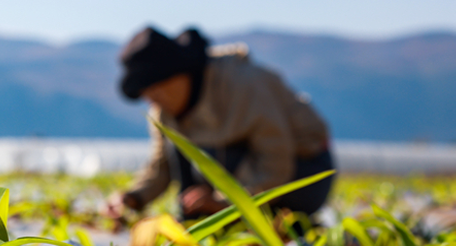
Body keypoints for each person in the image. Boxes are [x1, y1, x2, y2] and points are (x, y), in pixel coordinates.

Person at [105, 26, 334, 221]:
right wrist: (132, 198)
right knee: (178, 148)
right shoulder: (164, 111)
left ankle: (236, 219)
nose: (152, 99)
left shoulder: (243, 85)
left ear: (179, 75)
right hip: (238, 174)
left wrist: (222, 203)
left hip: (302, 172)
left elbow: (275, 164)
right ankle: (203, 218)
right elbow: (161, 165)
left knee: (204, 159)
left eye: (156, 89)